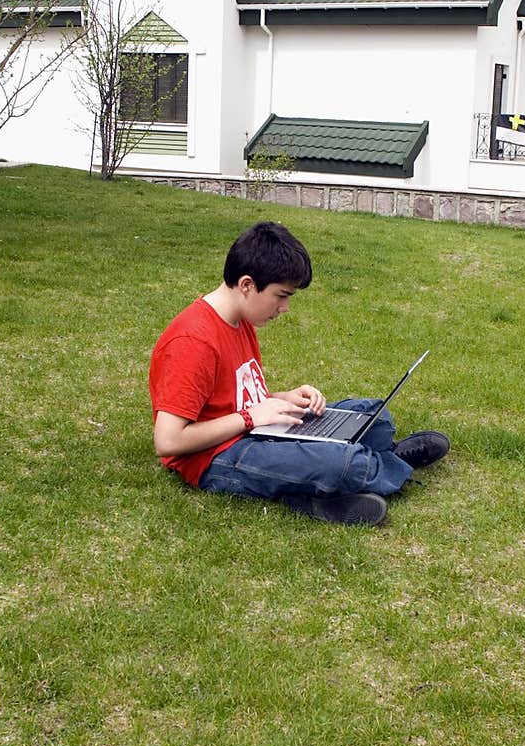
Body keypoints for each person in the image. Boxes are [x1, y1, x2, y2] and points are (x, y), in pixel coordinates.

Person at [149, 221, 449, 526]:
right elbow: (169, 441)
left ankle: (373, 461)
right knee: (342, 465)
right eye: (281, 295)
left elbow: (233, 397)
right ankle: (366, 469)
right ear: (247, 285)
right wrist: (251, 417)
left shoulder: (240, 319)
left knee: (373, 416)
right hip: (214, 456)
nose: (285, 307)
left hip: (252, 428)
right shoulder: (193, 341)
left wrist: (282, 399)